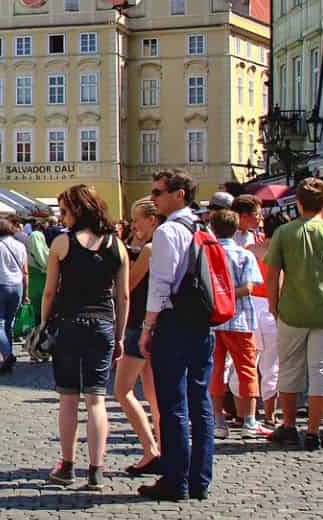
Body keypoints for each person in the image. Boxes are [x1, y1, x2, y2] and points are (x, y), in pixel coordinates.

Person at [41, 185, 129, 492]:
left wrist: (43, 323)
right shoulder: (116, 245)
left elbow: (50, 291)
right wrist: (119, 335)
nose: (61, 216)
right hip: (103, 323)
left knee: (68, 397)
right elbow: (124, 295)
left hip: (69, 324)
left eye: (64, 210)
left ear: (77, 210)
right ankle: (96, 470)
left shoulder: (62, 244)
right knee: (96, 399)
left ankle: (67, 465)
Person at [264, 177, 323, 451]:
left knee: (289, 368)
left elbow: (271, 275)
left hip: (292, 310)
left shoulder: (285, 232)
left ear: (298, 202)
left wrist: (273, 303)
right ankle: (314, 431)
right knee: (322, 370)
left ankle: (289, 425)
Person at [137, 169, 214, 503]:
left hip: (174, 322)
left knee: (172, 404)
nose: (153, 199)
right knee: (201, 401)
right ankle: (200, 479)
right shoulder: (201, 226)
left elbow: (161, 284)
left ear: (179, 194)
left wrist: (147, 327)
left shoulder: (169, 232)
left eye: (158, 192)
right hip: (202, 322)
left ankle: (175, 480)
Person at [206, 209, 262, 437]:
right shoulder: (244, 254)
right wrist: (229, 295)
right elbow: (250, 287)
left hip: (213, 320)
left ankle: (218, 420)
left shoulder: (207, 254)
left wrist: (217, 297)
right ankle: (249, 420)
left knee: (216, 370)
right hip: (240, 320)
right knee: (247, 369)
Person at [115, 198, 161, 476]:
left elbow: (127, 285)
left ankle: (150, 449)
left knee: (122, 391)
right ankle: (161, 448)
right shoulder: (163, 247)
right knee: (155, 395)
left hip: (137, 325)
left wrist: (125, 253)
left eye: (137, 219)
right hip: (157, 325)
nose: (133, 224)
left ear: (152, 220)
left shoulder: (149, 250)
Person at [231, 195, 279, 427]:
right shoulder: (277, 252)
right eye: (257, 214)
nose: (259, 218)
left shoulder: (250, 247)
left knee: (246, 362)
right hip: (267, 306)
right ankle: (266, 414)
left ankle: (244, 413)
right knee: (269, 364)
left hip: (249, 305)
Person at [0, 217, 28, 375]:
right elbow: (25, 271)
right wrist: (25, 292)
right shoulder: (20, 246)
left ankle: (8, 356)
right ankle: (6, 358)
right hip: (17, 286)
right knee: (9, 324)